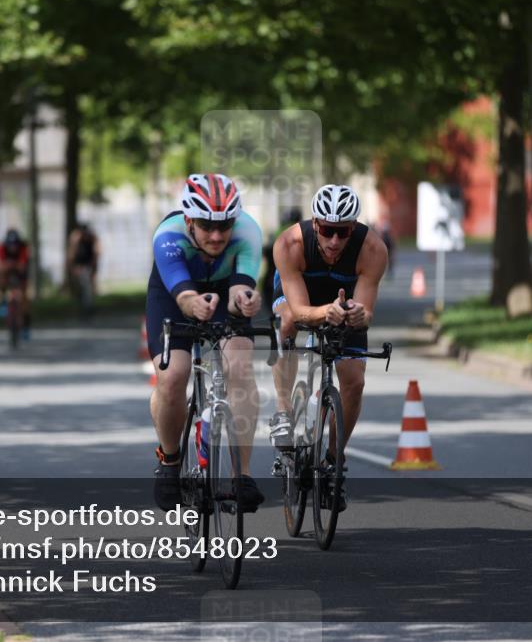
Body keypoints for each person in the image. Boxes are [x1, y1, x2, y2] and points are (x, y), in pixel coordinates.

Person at [147, 173, 264, 512]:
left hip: (223, 292)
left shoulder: (248, 232)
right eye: (205, 225)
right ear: (188, 220)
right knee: (172, 376)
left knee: (239, 366)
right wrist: (192, 303)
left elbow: (239, 287)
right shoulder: (167, 236)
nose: (216, 235)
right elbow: (184, 297)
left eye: (224, 225)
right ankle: (170, 462)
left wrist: (244, 300)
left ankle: (242, 476)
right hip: (174, 296)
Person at [268, 184, 388, 510]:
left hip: (344, 299)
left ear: (354, 228)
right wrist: (324, 312)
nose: (334, 240)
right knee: (289, 322)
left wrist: (358, 314)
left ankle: (334, 462)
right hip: (300, 295)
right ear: (315, 224)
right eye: (327, 230)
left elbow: (365, 314)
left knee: (355, 380)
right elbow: (301, 310)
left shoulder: (373, 249)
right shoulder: (289, 244)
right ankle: (282, 409)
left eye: (343, 231)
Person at [0, 228, 32, 340]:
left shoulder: (24, 247)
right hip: (7, 271)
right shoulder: (1, 247)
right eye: (10, 245)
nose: (13, 247)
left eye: (15, 245)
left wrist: (16, 265)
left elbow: (23, 265)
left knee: (25, 299)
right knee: (2, 274)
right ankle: (3, 302)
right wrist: (8, 265)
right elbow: (1, 264)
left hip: (21, 273)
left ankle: (26, 326)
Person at [67, 223, 101, 317]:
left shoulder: (92, 238)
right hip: (78, 266)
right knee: (82, 289)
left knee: (87, 288)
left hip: (87, 266)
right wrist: (72, 267)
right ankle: (83, 306)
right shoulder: (76, 239)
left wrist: (94, 269)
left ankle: (88, 308)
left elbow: (96, 254)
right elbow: (71, 255)